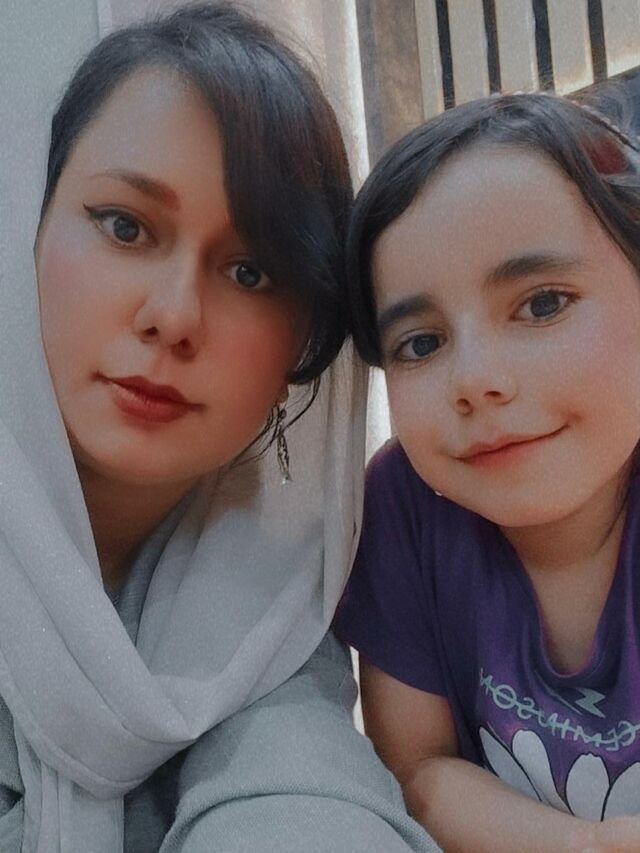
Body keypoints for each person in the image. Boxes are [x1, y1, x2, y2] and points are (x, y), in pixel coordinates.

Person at [0, 3, 437, 851]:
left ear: (303, 343)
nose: (173, 316)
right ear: (31, 228)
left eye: (250, 270)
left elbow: (305, 792)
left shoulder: (270, 603)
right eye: (125, 226)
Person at [334, 90, 640, 852]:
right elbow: (417, 768)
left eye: (542, 305)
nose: (475, 379)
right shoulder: (402, 507)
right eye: (421, 343)